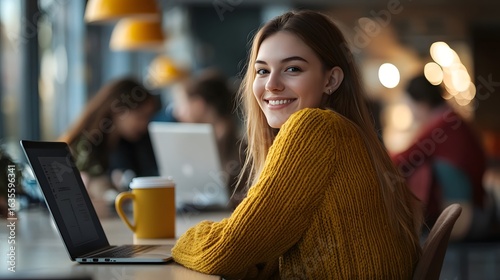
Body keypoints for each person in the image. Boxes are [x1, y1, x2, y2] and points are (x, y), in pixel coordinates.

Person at [171, 10, 423, 279]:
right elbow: (264, 252)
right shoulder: (344, 132)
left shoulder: (314, 127)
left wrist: (180, 239)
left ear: (331, 80)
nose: (272, 84)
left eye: (293, 69)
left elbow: (224, 253)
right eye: (262, 71)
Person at [392, 75, 491, 241]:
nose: (411, 114)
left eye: (410, 107)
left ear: (422, 104)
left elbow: (402, 161)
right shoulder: (451, 119)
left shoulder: (443, 126)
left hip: (466, 216)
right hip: (474, 209)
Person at [59, 77, 160, 201]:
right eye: (140, 116)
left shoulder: (128, 145)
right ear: (119, 111)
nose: (144, 124)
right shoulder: (83, 148)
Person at [160, 69, 246, 208]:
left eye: (181, 103)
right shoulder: (202, 144)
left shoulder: (241, 149)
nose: (177, 112)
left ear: (199, 104)